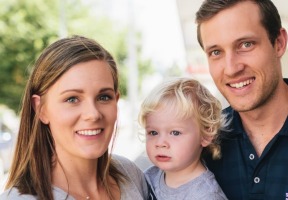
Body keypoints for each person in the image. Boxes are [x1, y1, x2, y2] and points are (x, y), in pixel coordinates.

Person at [0, 36, 148, 200]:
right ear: (40, 109)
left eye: (104, 97)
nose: (93, 114)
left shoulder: (130, 174)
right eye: (72, 99)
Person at [196, 0, 288, 199]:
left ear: (279, 43)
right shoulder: (203, 143)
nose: (232, 68)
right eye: (216, 52)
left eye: (246, 44)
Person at [138, 77, 228, 200]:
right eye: (153, 132)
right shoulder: (148, 177)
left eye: (175, 133)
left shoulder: (206, 196)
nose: (160, 143)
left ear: (206, 135)